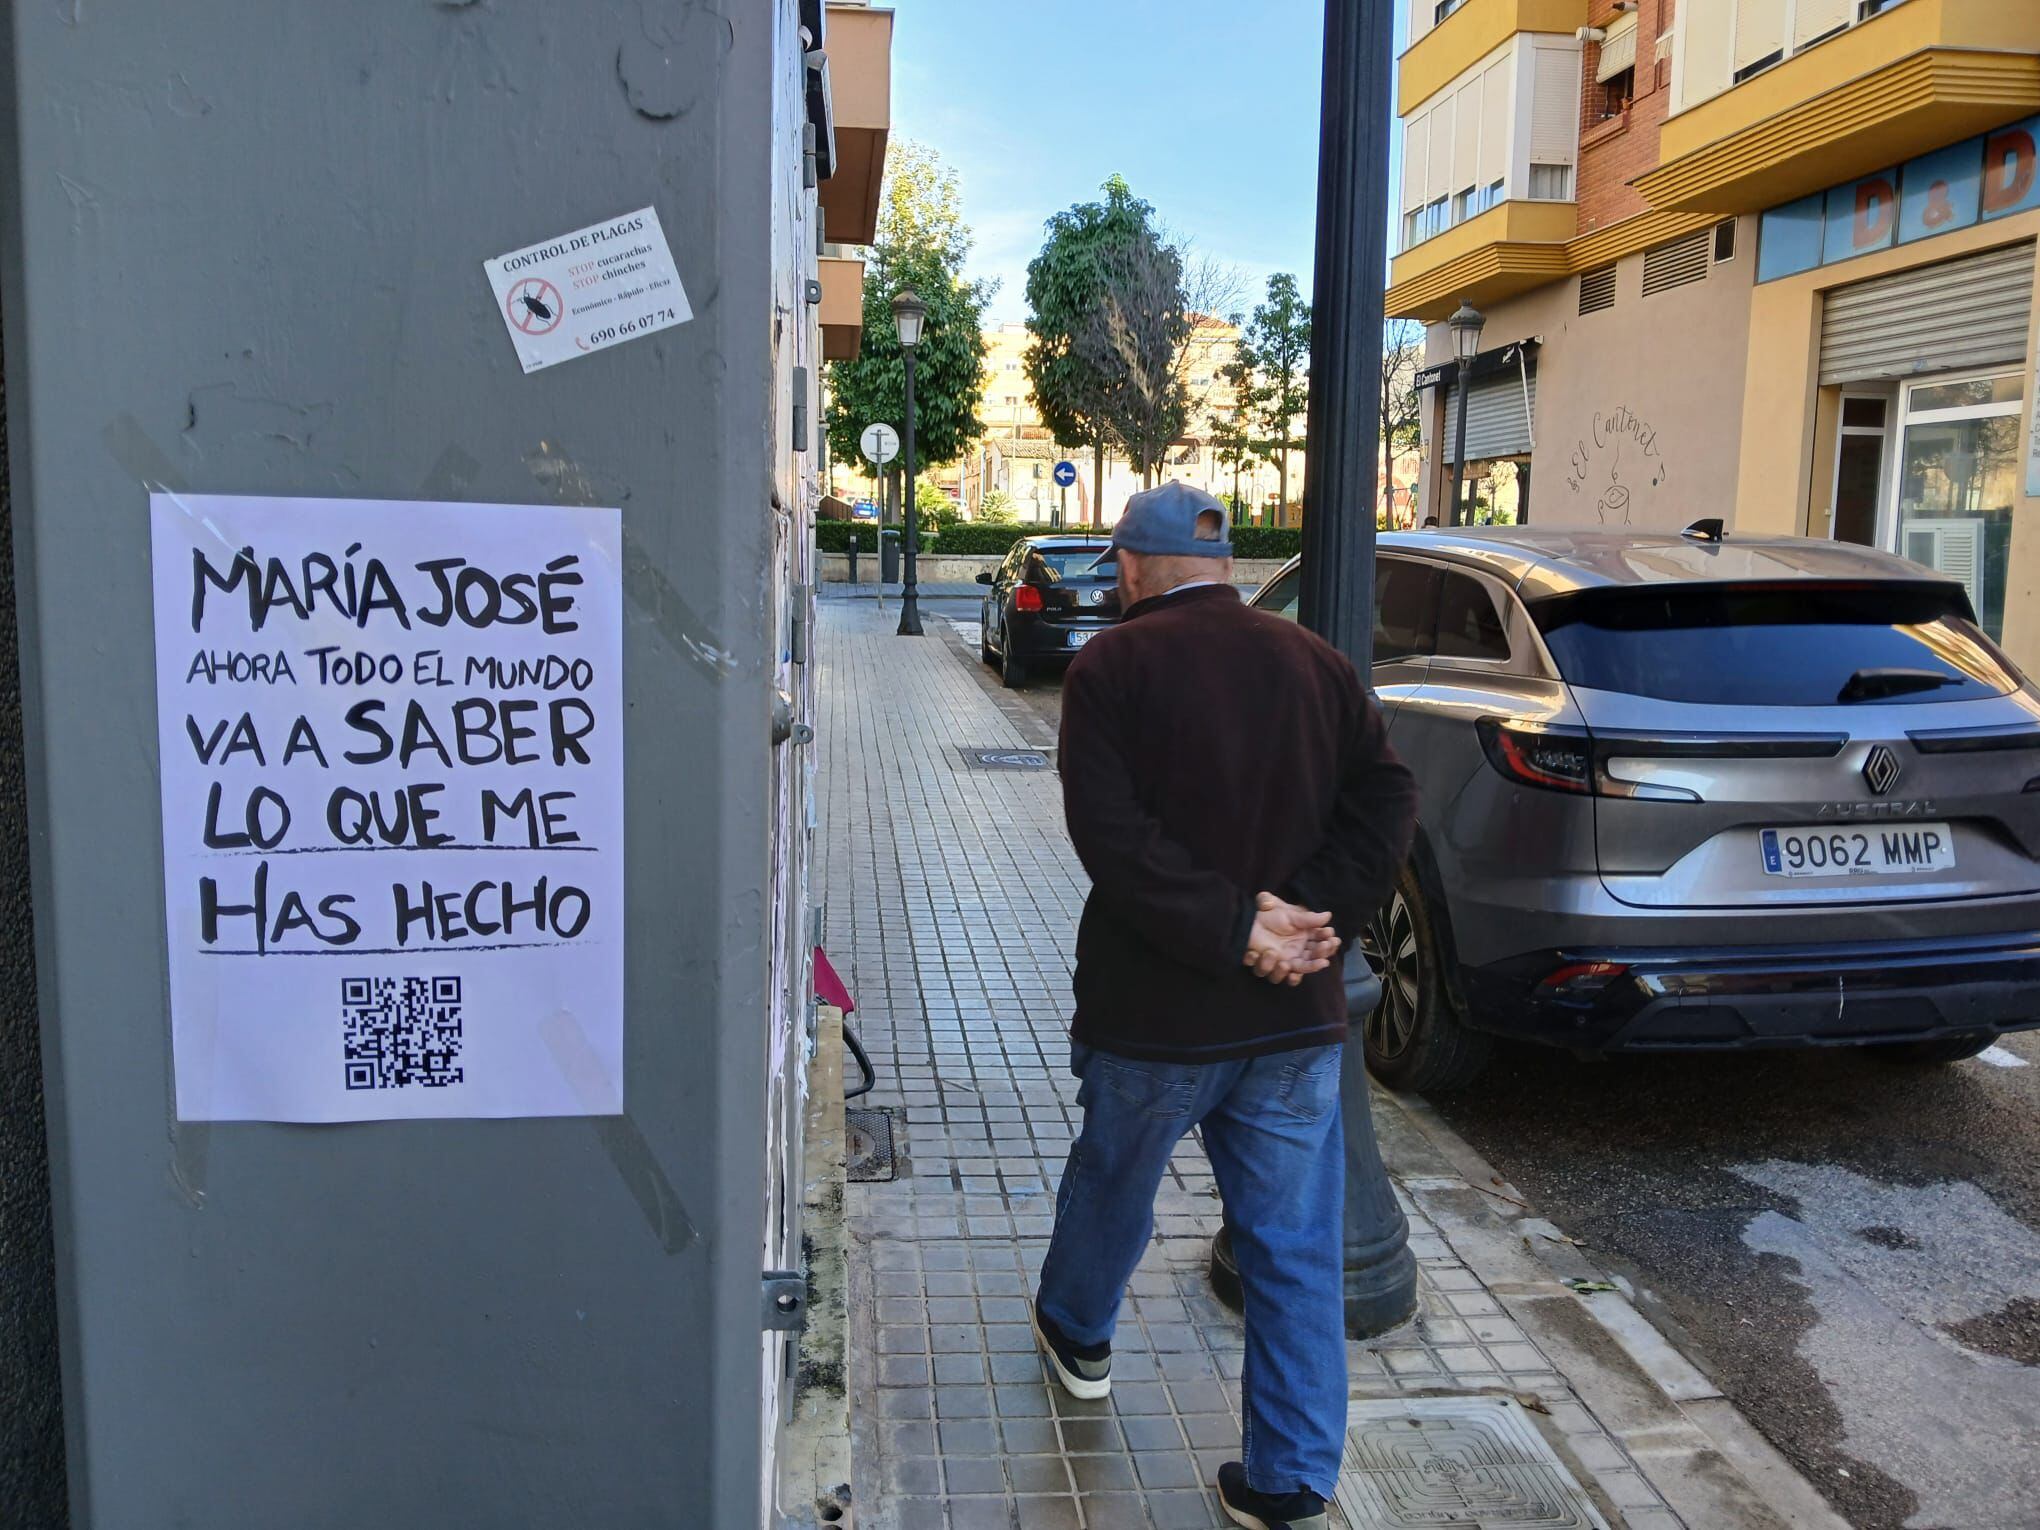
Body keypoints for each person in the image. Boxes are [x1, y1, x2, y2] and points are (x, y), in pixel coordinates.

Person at [1033, 482, 1419, 1530]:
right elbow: (1387, 795)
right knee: (1293, 1247)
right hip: (1294, 1022)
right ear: (1227, 566)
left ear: (1126, 566)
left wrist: (1236, 926)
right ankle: (1291, 1484)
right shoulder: (1316, 662)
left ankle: (1078, 1335)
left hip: (1156, 1016)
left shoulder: (1110, 667)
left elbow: (1112, 840)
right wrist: (1311, 912)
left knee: (1114, 1184)